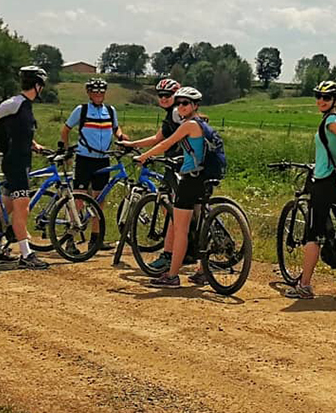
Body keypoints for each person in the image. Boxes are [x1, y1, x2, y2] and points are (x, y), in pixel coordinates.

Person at [134, 86, 224, 288]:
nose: (181, 106)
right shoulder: (202, 124)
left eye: (185, 103)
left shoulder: (189, 125)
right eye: (179, 103)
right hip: (204, 179)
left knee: (181, 229)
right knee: (200, 227)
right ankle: (202, 271)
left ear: (194, 106)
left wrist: (143, 157)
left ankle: (172, 275)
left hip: (190, 180)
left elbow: (165, 144)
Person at [284, 80, 336, 300]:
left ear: (335, 101)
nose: (320, 101)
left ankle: (305, 285)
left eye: (326, 98)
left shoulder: (331, 122)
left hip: (326, 183)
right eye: (318, 96)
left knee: (313, 233)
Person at [0, 65, 51, 270]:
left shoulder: (24, 105)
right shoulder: (15, 103)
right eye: (41, 86)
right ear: (36, 86)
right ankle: (26, 255)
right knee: (22, 207)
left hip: (21, 160)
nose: (42, 90)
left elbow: (19, 130)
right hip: (15, 163)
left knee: (8, 207)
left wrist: (34, 145)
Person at [120, 78, 183, 272]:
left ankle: (169, 255)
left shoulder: (176, 113)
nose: (164, 98)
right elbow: (158, 138)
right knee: (171, 210)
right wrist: (132, 145)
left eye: (168, 95)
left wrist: (146, 155)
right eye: (161, 95)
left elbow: (171, 139)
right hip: (173, 164)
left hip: (179, 165)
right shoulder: (170, 114)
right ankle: (180, 249)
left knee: (175, 212)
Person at [60, 78, 128, 224]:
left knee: (99, 200)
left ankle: (96, 238)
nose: (98, 94)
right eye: (95, 92)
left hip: (103, 160)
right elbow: (66, 130)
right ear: (89, 93)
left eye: (101, 92)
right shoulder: (81, 110)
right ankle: (71, 236)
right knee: (79, 198)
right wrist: (67, 150)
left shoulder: (110, 110)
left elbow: (115, 128)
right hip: (84, 159)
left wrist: (121, 137)